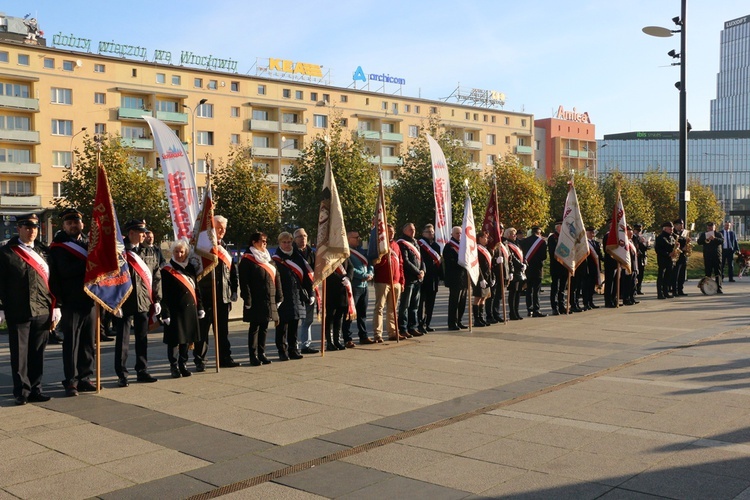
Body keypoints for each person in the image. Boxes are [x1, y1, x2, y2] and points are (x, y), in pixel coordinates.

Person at [0, 214, 56, 405]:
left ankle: (35, 389)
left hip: (42, 310)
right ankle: (21, 391)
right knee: (20, 354)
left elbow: (54, 282)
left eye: (34, 227)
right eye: (27, 227)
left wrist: (57, 307)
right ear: (19, 229)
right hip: (18, 310)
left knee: (38, 353)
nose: (31, 231)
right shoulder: (7, 252)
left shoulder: (44, 252)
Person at [48, 208, 97, 396]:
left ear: (82, 224)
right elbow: (65, 271)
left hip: (90, 300)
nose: (73, 225)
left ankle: (85, 377)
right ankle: (71, 380)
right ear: (64, 226)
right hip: (70, 301)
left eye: (76, 222)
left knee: (87, 343)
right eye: (69, 223)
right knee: (71, 343)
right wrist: (90, 262)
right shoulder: (58, 247)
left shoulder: (89, 244)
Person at [113, 219, 162, 387]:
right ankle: (122, 373)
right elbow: (112, 278)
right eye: (141, 232)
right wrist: (115, 302)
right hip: (124, 301)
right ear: (131, 233)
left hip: (143, 299)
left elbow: (156, 276)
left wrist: (157, 299)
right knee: (123, 340)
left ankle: (142, 370)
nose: (145, 235)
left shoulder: (149, 251)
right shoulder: (119, 251)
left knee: (142, 338)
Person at [194, 215, 240, 370]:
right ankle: (200, 360)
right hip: (206, 295)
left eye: (224, 228)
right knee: (203, 332)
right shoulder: (204, 247)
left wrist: (234, 289)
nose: (222, 231)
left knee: (222, 331)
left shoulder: (225, 247)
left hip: (223, 296)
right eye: (218, 227)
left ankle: (225, 358)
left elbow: (233, 272)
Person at [160, 240, 204, 378]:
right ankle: (173, 366)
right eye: (176, 252)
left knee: (186, 339)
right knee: (174, 341)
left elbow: (196, 290)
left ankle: (183, 364)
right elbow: (164, 294)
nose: (179, 254)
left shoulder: (190, 268)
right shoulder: (167, 270)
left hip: (189, 310)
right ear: (172, 253)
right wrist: (165, 312)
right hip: (175, 311)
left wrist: (200, 307)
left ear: (186, 253)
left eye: (182, 252)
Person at [240, 232, 282, 365]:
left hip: (268, 298)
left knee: (264, 326)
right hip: (255, 299)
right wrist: (247, 299)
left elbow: (277, 277)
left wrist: (279, 295)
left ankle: (262, 353)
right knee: (255, 327)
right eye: (262, 241)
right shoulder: (247, 260)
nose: (264, 243)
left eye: (266, 241)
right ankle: (253, 355)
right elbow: (244, 282)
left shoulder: (268, 258)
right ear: (253, 242)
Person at [272, 231, 311, 360]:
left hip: (297, 296)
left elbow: (306, 277)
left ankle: (293, 350)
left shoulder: (298, 257)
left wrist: (310, 293)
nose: (287, 245)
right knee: (282, 326)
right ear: (279, 243)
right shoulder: (275, 259)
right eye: (284, 242)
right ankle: (282, 351)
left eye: (289, 242)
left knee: (294, 324)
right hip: (283, 297)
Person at [342, 230, 374, 346]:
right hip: (354, 286)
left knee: (362, 313)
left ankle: (363, 336)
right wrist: (363, 275)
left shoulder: (362, 251)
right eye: (356, 237)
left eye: (358, 237)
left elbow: (369, 264)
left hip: (364, 286)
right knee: (350, 313)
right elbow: (349, 268)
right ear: (349, 239)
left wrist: (370, 273)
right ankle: (347, 338)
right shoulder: (346, 252)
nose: (358, 239)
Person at [372, 224, 403, 342]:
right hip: (382, 281)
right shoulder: (380, 245)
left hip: (395, 281)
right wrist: (385, 257)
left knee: (393, 309)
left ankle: (393, 332)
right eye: (389, 231)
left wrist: (401, 281)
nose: (391, 233)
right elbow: (376, 264)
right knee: (379, 308)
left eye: (393, 231)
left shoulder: (396, 245)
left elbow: (400, 264)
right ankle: (377, 334)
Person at [293, 228, 319, 354]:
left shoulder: (311, 253)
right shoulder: (292, 253)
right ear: (294, 239)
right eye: (299, 236)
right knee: (294, 320)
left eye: (304, 235)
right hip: (297, 291)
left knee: (308, 319)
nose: (302, 238)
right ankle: (292, 345)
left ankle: (305, 345)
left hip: (310, 291)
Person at [397, 223, 425, 337]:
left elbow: (421, 259)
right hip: (409, 279)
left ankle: (412, 327)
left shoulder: (415, 242)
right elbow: (406, 261)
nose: (412, 231)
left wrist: (423, 270)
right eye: (410, 230)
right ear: (404, 231)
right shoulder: (402, 243)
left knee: (414, 306)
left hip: (417, 279)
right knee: (405, 305)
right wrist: (417, 272)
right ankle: (403, 328)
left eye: (413, 229)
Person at [325, 258, 354, 350]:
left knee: (339, 317)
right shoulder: (329, 255)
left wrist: (348, 277)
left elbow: (350, 267)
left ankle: (337, 340)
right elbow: (327, 270)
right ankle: (329, 342)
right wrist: (341, 278)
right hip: (331, 290)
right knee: (330, 317)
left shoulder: (343, 255)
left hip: (343, 290)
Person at [443, 226, 468, 330]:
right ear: (452, 234)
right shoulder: (449, 246)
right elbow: (449, 262)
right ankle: (452, 322)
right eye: (457, 233)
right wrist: (461, 263)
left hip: (464, 278)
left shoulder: (463, 246)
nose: (459, 235)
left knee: (462, 302)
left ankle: (459, 321)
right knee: (454, 302)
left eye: (461, 233)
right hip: (454, 278)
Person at [418, 224, 441, 333]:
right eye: (428, 232)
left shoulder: (436, 246)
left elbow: (438, 262)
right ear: (423, 233)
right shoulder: (420, 245)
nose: (431, 234)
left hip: (433, 278)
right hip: (424, 278)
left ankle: (427, 323)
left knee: (430, 303)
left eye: (432, 232)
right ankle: (420, 324)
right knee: (421, 302)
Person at [520, 226, 547, 317]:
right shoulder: (541, 242)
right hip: (538, 269)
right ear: (539, 233)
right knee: (536, 290)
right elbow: (544, 256)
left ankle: (529, 309)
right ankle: (536, 309)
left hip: (527, 268)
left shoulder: (524, 241)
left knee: (528, 290)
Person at [487, 223, 509, 323]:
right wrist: (496, 261)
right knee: (492, 296)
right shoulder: (491, 242)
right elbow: (487, 258)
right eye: (499, 229)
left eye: (502, 229)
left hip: (503, 272)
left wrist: (510, 271)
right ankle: (489, 315)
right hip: (494, 272)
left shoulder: (504, 242)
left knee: (499, 296)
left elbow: (509, 258)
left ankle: (496, 313)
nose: (500, 230)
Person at [504, 228, 526, 321]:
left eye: (515, 234)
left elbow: (521, 255)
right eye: (513, 234)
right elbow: (512, 257)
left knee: (518, 293)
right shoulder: (507, 244)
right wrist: (521, 264)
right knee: (513, 293)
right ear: (508, 235)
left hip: (520, 271)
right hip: (514, 270)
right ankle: (512, 313)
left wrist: (525, 263)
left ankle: (516, 312)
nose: (515, 236)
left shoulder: (517, 243)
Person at [472, 230, 493, 326]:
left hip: (487, 276)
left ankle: (481, 317)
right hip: (479, 277)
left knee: (484, 298)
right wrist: (481, 278)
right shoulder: (476, 249)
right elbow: (477, 265)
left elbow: (489, 265)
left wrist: (492, 277)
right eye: (485, 237)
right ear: (479, 238)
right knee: (478, 298)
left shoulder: (486, 248)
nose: (487, 239)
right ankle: (476, 320)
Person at [697, 221, 724, 294]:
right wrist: (704, 239)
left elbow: (722, 241)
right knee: (708, 272)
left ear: (715, 227)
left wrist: (714, 238)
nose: (710, 228)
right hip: (707, 255)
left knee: (717, 272)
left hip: (716, 256)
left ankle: (719, 287)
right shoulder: (704, 234)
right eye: (708, 227)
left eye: (711, 227)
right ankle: (707, 288)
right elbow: (699, 242)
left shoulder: (718, 234)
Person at [547, 221, 568, 314]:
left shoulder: (566, 238)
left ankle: (562, 306)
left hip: (564, 266)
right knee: (555, 287)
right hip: (556, 266)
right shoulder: (552, 238)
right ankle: (554, 307)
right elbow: (553, 251)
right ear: (558, 227)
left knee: (562, 288)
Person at [654, 221, 676, 299]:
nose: (672, 230)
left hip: (670, 259)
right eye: (670, 229)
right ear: (665, 229)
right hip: (663, 259)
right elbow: (658, 250)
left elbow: (672, 246)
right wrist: (667, 254)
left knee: (668, 276)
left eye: (672, 229)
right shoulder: (660, 237)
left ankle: (666, 292)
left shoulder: (671, 237)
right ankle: (660, 293)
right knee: (661, 276)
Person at [583, 227, 602, 310]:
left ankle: (590, 302)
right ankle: (586, 303)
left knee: (591, 287)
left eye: (593, 233)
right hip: (587, 268)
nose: (592, 234)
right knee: (586, 286)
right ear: (586, 233)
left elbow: (599, 255)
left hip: (594, 267)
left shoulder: (595, 243)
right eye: (590, 232)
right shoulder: (584, 243)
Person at [621, 226, 639, 306]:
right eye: (629, 233)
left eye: (632, 233)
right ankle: (626, 299)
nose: (631, 235)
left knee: (633, 284)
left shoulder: (631, 242)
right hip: (628, 266)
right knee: (627, 284)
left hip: (634, 266)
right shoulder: (624, 243)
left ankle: (632, 298)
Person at [672, 219, 689, 296]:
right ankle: (674, 290)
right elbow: (674, 245)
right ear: (675, 225)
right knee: (676, 274)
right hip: (676, 256)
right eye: (680, 224)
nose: (682, 226)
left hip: (683, 256)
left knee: (682, 274)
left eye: (682, 224)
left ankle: (680, 289)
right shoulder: (673, 234)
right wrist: (682, 248)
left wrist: (688, 242)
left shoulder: (684, 233)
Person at [632, 224, 649, 295]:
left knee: (641, 275)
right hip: (637, 258)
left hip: (642, 258)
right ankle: (634, 289)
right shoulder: (634, 237)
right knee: (636, 274)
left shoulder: (641, 237)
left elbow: (645, 248)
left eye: (640, 230)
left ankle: (639, 288)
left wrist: (646, 243)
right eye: (637, 230)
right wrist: (641, 242)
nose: (639, 231)